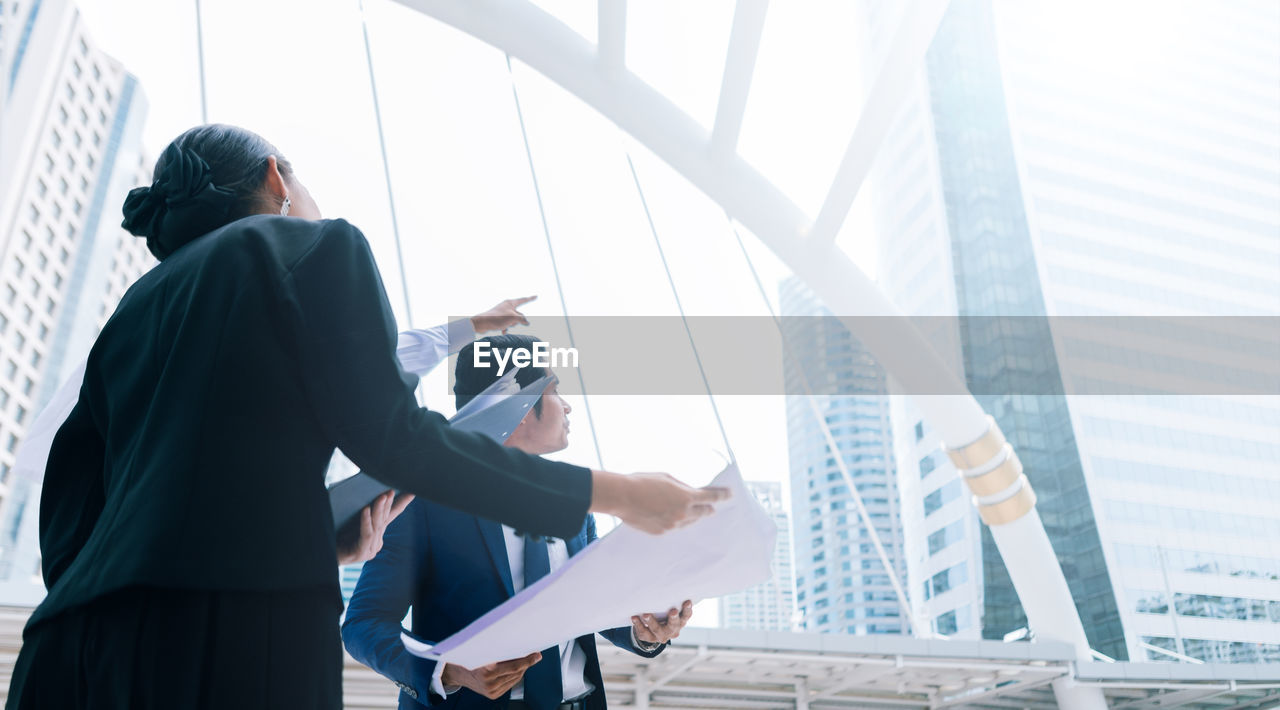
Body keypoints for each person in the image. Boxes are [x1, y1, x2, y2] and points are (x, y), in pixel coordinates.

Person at [7, 124, 726, 710]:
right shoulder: (310, 246)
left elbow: (71, 534)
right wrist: (622, 493)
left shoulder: (129, 316)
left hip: (67, 649)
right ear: (277, 179)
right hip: (230, 639)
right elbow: (396, 438)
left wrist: (320, 537)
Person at [344, 334, 695, 710]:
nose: (568, 407)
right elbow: (364, 625)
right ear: (521, 404)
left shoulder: (573, 502)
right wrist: (448, 669)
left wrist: (646, 630)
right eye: (555, 390)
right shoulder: (422, 502)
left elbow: (594, 605)